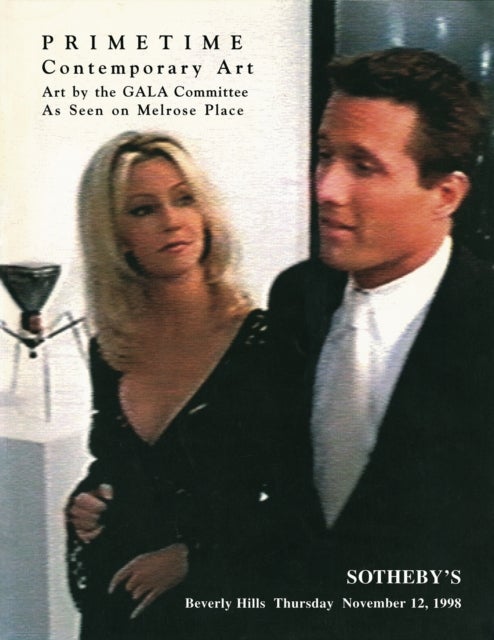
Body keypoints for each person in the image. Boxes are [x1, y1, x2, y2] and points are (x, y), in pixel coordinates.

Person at [269, 48, 494, 639]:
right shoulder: (297, 296)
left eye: (363, 166)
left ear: (446, 194)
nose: (325, 188)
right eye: (325, 156)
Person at [65, 131, 317, 640]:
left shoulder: (267, 344)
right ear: (114, 236)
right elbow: (115, 465)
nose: (172, 220)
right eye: (143, 210)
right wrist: (86, 502)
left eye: (184, 199)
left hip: (225, 609)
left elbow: (305, 497)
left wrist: (194, 555)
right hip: (120, 608)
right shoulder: (110, 350)